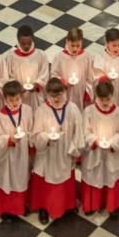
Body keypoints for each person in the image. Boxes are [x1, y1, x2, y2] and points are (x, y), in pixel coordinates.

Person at [30, 77, 83, 224]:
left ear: (65, 92)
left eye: (59, 94)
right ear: (48, 95)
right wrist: (47, 138)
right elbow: (36, 135)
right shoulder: (42, 110)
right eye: (53, 95)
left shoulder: (72, 108)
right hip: (48, 153)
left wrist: (74, 150)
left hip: (66, 151)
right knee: (46, 181)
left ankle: (68, 205)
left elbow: (79, 132)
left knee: (66, 178)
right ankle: (44, 208)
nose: (57, 98)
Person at [79, 80, 119, 214]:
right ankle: (91, 205)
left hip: (111, 153)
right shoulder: (89, 111)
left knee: (110, 176)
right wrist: (95, 141)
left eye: (108, 98)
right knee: (93, 176)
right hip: (94, 153)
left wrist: (112, 142)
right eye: (102, 99)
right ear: (96, 96)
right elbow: (84, 133)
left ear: (112, 95)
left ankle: (111, 205)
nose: (105, 102)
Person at [0, 80, 33, 220]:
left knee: (21, 179)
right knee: (8, 180)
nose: (14, 103)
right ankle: (6, 209)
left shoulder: (27, 110)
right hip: (7, 156)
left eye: (17, 99)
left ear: (21, 96)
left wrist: (31, 144)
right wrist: (9, 140)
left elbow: (31, 129)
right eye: (11, 99)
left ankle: (21, 205)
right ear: (5, 98)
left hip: (23, 154)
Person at [5, 25, 49, 108]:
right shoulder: (11, 56)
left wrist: (36, 84)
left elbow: (44, 74)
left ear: (33, 39)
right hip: (19, 95)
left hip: (35, 95)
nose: (26, 46)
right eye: (23, 43)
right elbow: (8, 75)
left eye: (29, 43)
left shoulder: (40, 55)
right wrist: (17, 88)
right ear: (18, 41)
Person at [51, 27, 93, 109]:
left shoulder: (86, 57)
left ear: (82, 42)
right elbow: (53, 74)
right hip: (65, 92)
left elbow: (90, 76)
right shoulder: (60, 57)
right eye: (72, 45)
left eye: (78, 45)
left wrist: (88, 92)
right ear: (67, 41)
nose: (75, 49)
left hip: (80, 92)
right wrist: (62, 82)